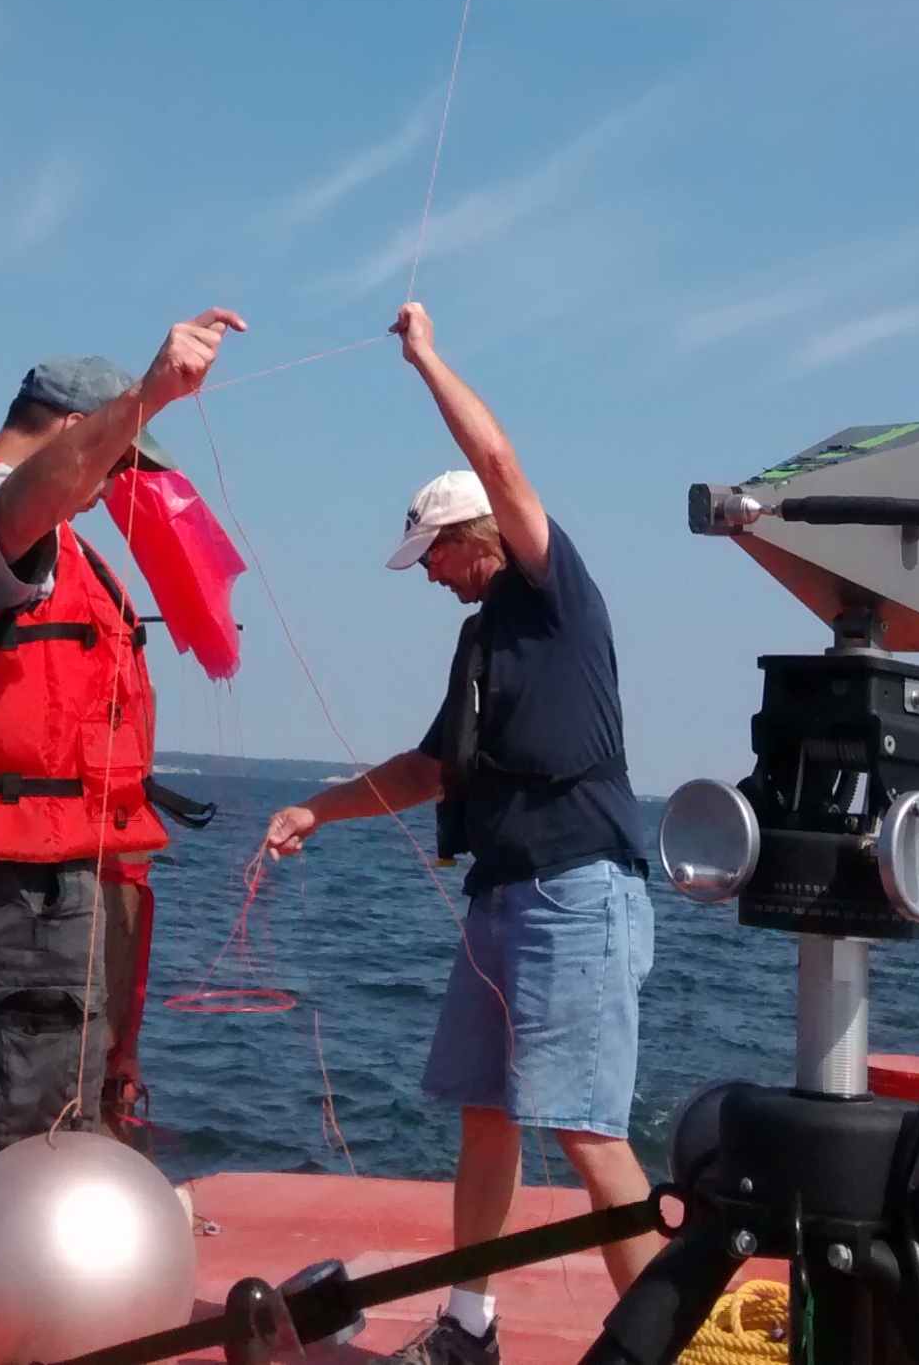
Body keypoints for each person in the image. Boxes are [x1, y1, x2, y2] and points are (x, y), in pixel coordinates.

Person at [264, 301, 656, 1365]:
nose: (427, 576)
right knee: (486, 1115)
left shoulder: (551, 591)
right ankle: (470, 1324)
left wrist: (425, 357)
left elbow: (496, 454)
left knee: (588, 1132)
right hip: (503, 895)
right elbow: (428, 770)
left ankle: (673, 1345)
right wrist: (316, 811)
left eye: (431, 554)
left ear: (470, 536)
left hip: (579, 890)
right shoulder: (483, 642)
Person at [0, 307, 244, 1365]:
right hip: (10, 901)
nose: (121, 482)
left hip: (2, 896)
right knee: (4, 1182)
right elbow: (31, 494)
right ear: (75, 427)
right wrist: (149, 398)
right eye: (119, 456)